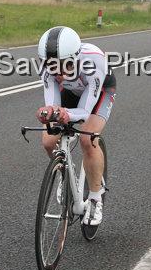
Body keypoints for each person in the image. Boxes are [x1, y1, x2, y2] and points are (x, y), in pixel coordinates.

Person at [35, 26, 116, 226]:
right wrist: (51, 114)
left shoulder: (93, 63)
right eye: (53, 66)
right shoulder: (47, 69)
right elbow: (53, 105)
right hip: (71, 92)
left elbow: (84, 112)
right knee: (48, 140)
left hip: (99, 92)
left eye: (66, 66)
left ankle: (96, 198)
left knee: (87, 138)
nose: (59, 73)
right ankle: (65, 172)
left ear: (76, 58)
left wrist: (66, 114)